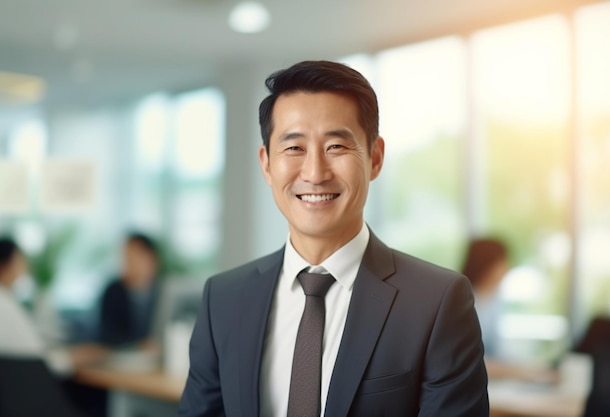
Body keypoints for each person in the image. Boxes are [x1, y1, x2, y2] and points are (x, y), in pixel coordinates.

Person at [178, 60, 489, 417]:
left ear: (374, 158)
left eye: (336, 147)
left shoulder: (436, 303)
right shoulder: (224, 300)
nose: (314, 173)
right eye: (294, 148)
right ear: (266, 164)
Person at [0, 236, 107, 375]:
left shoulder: (8, 302)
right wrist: (73, 357)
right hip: (33, 388)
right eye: (20, 260)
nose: (25, 266)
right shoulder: (7, 305)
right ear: (5, 266)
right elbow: (36, 358)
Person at [461, 238, 555, 382]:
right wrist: (521, 372)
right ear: (487, 264)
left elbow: (496, 353)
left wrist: (532, 368)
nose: (507, 268)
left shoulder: (494, 301)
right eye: (503, 261)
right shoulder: (463, 304)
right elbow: (468, 362)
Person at [98, 232, 161, 347]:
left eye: (135, 258)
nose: (129, 264)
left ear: (152, 259)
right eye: (127, 258)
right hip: (123, 359)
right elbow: (107, 337)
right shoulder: (113, 292)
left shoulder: (164, 290)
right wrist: (138, 344)